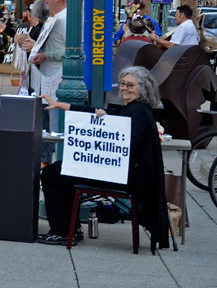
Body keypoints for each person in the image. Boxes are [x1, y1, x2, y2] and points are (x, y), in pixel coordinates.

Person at [38, 66, 170, 252]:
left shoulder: (138, 111)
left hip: (123, 176)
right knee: (59, 169)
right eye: (123, 84)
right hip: (118, 172)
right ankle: (69, 229)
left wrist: (107, 125)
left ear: (143, 89)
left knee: (53, 173)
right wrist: (63, 106)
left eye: (130, 85)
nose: (124, 88)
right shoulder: (133, 108)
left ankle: (63, 232)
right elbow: (95, 111)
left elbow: (128, 145)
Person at [29, 0, 67, 165]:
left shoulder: (66, 19)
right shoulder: (55, 18)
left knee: (56, 129)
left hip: (58, 84)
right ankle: (47, 165)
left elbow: (76, 51)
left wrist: (45, 55)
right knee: (47, 128)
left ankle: (55, 167)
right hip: (47, 83)